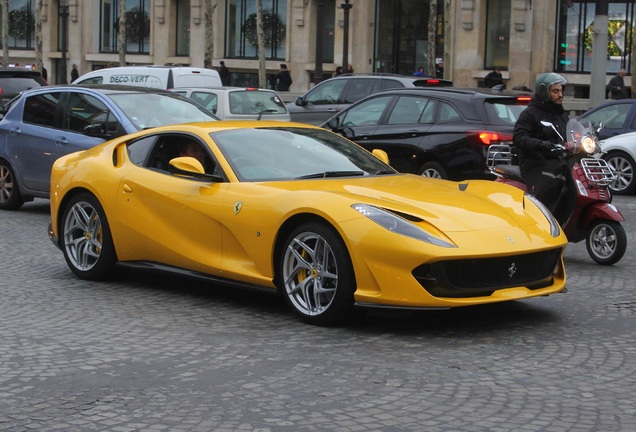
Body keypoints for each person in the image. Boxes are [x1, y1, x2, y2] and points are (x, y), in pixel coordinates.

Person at [513, 72, 569, 219]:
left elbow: (569, 133)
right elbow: (519, 138)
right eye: (555, 91)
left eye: (561, 90)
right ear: (545, 92)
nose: (560, 94)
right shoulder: (530, 114)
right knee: (551, 182)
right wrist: (541, 144)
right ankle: (542, 219)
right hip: (536, 161)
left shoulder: (561, 114)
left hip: (558, 159)